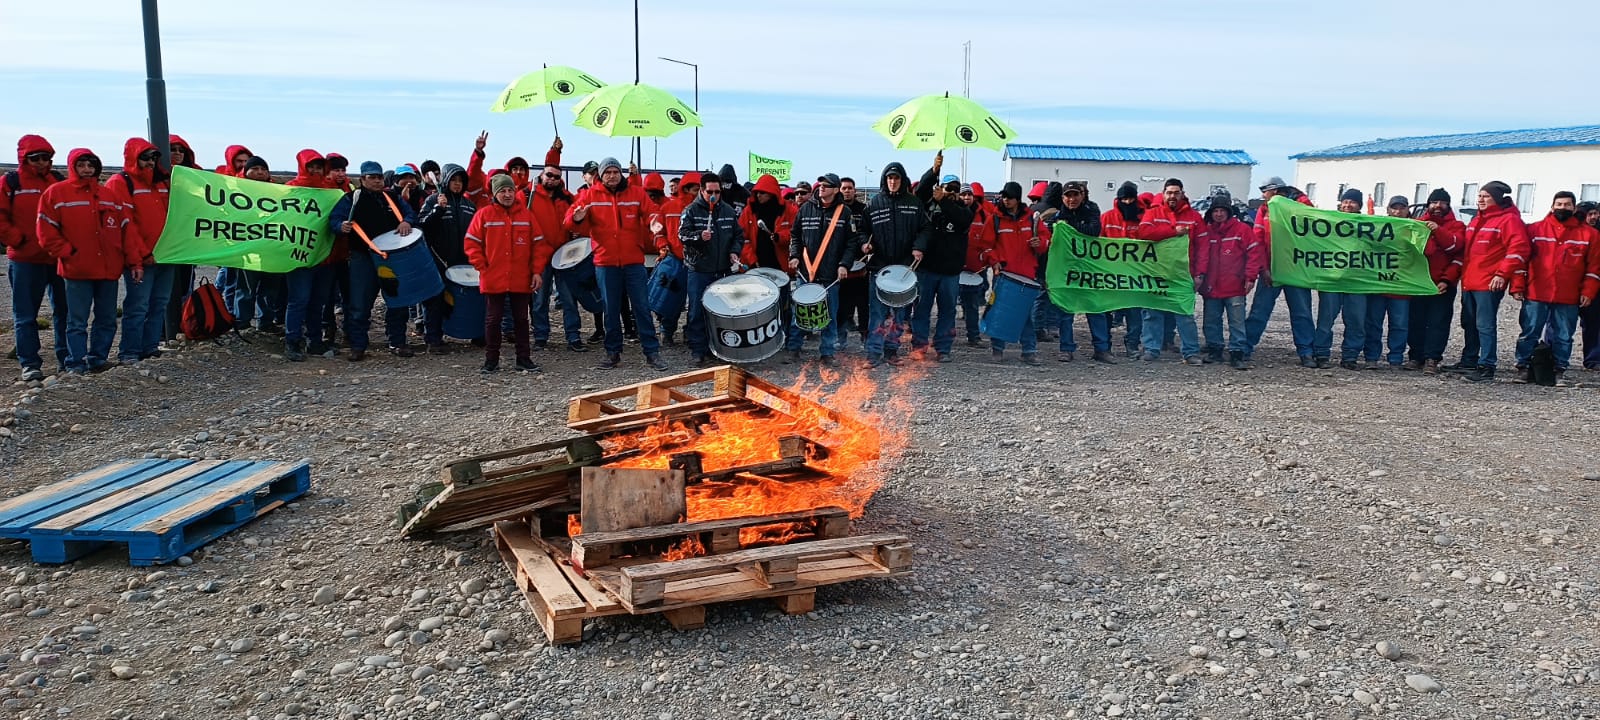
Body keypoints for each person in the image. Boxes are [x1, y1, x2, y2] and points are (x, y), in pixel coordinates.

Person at [37, 148, 141, 374]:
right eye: (81, 165)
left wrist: (135, 262)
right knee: (77, 321)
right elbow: (46, 231)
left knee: (107, 318)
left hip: (108, 270)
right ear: (73, 167)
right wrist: (68, 252)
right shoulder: (56, 193)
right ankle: (75, 362)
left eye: (90, 165)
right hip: (77, 270)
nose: (86, 169)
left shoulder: (109, 196)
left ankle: (97, 359)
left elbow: (126, 231)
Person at [564, 157, 667, 370]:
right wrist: (578, 218)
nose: (612, 176)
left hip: (633, 262)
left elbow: (651, 211)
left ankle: (652, 352)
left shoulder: (636, 193)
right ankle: (613, 352)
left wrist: (655, 222)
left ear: (621, 174)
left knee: (641, 306)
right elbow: (568, 221)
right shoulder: (589, 195)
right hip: (605, 262)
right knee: (610, 309)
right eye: (607, 172)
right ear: (600, 175)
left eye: (615, 172)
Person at [329, 161, 419, 360]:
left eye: (379, 177)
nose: (377, 181)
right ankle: (358, 345)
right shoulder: (351, 198)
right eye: (372, 177)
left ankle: (397, 342)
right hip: (363, 257)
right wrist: (340, 226)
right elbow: (334, 219)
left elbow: (410, 214)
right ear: (362, 179)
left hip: (393, 257)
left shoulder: (392, 197)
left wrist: (407, 221)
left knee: (397, 302)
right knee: (360, 304)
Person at [1511, 190, 1600, 381]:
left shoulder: (1589, 235)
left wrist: (1588, 292)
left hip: (1568, 294)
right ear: (1552, 206)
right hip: (1536, 291)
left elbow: (1594, 268)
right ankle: (1523, 366)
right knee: (1529, 331)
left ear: (1574, 208)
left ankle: (1560, 369)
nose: (1562, 208)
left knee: (1564, 335)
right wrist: (1517, 286)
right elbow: (1521, 260)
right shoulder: (1534, 230)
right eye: (1559, 204)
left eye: (1567, 205)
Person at [2, 135, 69, 380]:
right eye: (36, 158)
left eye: (46, 158)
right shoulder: (11, 182)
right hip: (25, 259)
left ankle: (67, 360)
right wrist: (18, 240)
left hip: (57, 258)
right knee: (25, 315)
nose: (42, 163)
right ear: (24, 158)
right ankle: (30, 364)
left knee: (65, 312)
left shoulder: (56, 181)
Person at [1450, 181, 1530, 382]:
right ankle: (1469, 360)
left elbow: (1519, 249)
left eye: (1486, 196)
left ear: (1496, 198)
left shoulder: (1508, 220)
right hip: (1470, 281)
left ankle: (1487, 365)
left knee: (1485, 324)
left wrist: (1502, 274)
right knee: (1469, 322)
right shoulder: (1478, 220)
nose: (1480, 199)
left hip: (1488, 282)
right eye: (1479, 196)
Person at [464, 173, 543, 373]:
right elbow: (471, 243)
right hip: (493, 277)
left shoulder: (526, 215)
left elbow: (539, 245)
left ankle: (523, 358)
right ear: (495, 193)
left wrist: (536, 271)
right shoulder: (483, 214)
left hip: (520, 276)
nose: (507, 194)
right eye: (503, 191)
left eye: (510, 190)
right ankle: (491, 360)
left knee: (521, 319)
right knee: (493, 319)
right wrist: (482, 266)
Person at [104, 138, 173, 364]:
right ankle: (129, 352)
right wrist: (140, 256)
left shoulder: (161, 183)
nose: (151, 162)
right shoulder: (120, 182)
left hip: (166, 256)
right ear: (133, 157)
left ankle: (149, 347)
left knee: (159, 304)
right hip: (141, 259)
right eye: (145, 157)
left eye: (154, 157)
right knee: (138, 306)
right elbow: (126, 224)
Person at [861, 159, 931, 367]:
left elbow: (926, 229)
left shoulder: (914, 203)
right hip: (879, 267)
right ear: (885, 180)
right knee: (877, 313)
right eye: (889, 178)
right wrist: (865, 244)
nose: (893, 181)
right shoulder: (873, 204)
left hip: (905, 269)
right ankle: (873, 354)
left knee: (900, 314)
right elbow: (863, 230)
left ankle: (892, 351)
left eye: (896, 178)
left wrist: (919, 247)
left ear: (903, 180)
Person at [1244, 176, 1317, 366]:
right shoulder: (1264, 209)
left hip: (1297, 270)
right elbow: (1258, 240)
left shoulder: (1304, 207)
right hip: (1272, 269)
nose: (1262, 195)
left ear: (1275, 191)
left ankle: (1306, 352)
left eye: (1265, 191)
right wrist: (1264, 269)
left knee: (1302, 312)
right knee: (1259, 310)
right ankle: (1244, 348)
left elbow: (1314, 237)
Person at [677, 172, 746, 366]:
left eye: (718, 191)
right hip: (699, 268)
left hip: (722, 269)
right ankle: (698, 349)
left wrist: (734, 252)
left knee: (720, 310)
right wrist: (699, 236)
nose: (714, 195)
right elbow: (682, 235)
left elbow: (738, 236)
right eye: (710, 192)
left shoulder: (728, 211)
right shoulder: (690, 211)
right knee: (697, 310)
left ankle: (717, 347)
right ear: (702, 190)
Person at [786, 173, 855, 364]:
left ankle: (827, 352)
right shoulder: (806, 208)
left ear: (835, 189)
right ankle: (794, 348)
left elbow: (851, 243)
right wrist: (793, 255)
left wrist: (844, 265)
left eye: (827, 185)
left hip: (831, 273)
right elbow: (795, 236)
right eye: (821, 184)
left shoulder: (845, 213)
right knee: (800, 313)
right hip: (805, 272)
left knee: (830, 315)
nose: (821, 187)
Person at [1192, 191, 1263, 369]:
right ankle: (1215, 350)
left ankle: (1237, 353)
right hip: (1211, 287)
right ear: (1211, 213)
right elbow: (1198, 255)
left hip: (1235, 286)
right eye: (1215, 210)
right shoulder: (1206, 232)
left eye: (1222, 210)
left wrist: (1250, 277)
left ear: (1229, 212)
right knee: (1211, 320)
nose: (1219, 214)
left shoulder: (1242, 230)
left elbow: (1254, 254)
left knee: (1237, 322)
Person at [412, 163, 478, 355]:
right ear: (446, 181)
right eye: (454, 180)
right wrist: (438, 210)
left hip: (463, 260)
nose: (457, 184)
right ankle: (433, 338)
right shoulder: (434, 200)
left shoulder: (469, 205)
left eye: (461, 181)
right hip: (438, 259)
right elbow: (421, 226)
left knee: (467, 298)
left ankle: (474, 332)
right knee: (435, 300)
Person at [1135, 179, 1203, 364]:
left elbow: (1202, 247)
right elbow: (1144, 234)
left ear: (1182, 193)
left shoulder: (1194, 217)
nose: (1172, 196)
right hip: (1155, 273)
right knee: (1151, 313)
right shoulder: (1152, 213)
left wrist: (1199, 274)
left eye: (1176, 192)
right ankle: (1151, 349)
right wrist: (1173, 231)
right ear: (1164, 193)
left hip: (1182, 275)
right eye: (1169, 192)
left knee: (1185, 315)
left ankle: (1190, 352)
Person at [910, 174, 972, 363]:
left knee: (947, 311)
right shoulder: (928, 205)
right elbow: (920, 190)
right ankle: (919, 346)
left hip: (950, 272)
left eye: (955, 189)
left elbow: (961, 220)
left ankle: (943, 348)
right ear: (940, 188)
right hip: (926, 269)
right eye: (948, 188)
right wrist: (934, 170)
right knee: (921, 310)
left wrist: (944, 200)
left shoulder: (964, 210)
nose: (952, 192)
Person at [1405, 189, 1466, 374]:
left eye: (1442, 202)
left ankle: (1432, 358)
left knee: (1438, 322)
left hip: (1442, 284)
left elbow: (1456, 250)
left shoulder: (1457, 226)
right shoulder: (1416, 224)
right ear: (1428, 204)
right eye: (1434, 202)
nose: (1438, 206)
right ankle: (1416, 356)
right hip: (1419, 283)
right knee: (1416, 321)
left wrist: (1448, 280)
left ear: (1448, 205)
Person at [1311, 188, 1370, 369]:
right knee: (1325, 320)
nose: (1347, 205)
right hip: (1332, 280)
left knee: (1356, 321)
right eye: (1345, 201)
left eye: (1352, 202)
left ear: (1359, 205)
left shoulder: (1369, 225)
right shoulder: (1329, 222)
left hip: (1357, 282)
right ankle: (1321, 354)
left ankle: (1350, 357)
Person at [1049, 180, 1108, 362]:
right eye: (1068, 195)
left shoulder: (1091, 210)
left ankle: (1102, 349)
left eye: (1075, 195)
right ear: (1062, 197)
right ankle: (1066, 349)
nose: (1072, 199)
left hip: (1089, 269)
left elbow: (1093, 231)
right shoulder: (1056, 215)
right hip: (1068, 270)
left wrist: (1068, 226)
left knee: (1095, 309)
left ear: (1082, 196)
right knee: (1066, 312)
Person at [740, 174, 799, 355]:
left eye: (763, 193)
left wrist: (780, 238)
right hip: (758, 267)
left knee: (784, 305)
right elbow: (742, 238)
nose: (758, 196)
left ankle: (785, 338)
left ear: (772, 194)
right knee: (759, 306)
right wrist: (750, 260)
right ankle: (762, 341)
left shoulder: (790, 210)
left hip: (781, 267)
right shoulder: (749, 211)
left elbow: (796, 234)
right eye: (757, 193)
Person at [987, 181, 1045, 365]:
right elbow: (987, 246)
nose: (1006, 200)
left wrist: (1040, 243)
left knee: (1025, 314)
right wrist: (994, 262)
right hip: (1004, 274)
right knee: (999, 312)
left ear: (1018, 198)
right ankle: (998, 349)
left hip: (1027, 274)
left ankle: (1029, 350)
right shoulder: (995, 219)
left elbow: (1045, 239)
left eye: (1009, 197)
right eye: (1004, 197)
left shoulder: (1032, 219)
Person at [1363, 196, 1414, 369]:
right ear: (1388, 209)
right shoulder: (1378, 227)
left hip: (1401, 287)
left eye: (1401, 208)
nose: (1397, 211)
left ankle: (1396, 359)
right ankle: (1371, 357)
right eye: (1394, 208)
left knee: (1399, 325)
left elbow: (1426, 251)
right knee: (1374, 323)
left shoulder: (1414, 229)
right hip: (1378, 286)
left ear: (1408, 210)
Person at [652, 173, 699, 344]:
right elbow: (658, 231)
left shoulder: (704, 209)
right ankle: (667, 330)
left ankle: (690, 332)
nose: (698, 192)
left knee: (695, 301)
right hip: (676, 260)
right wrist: (663, 246)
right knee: (671, 298)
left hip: (698, 264)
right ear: (686, 189)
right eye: (696, 189)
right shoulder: (668, 208)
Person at [1100, 181, 1146, 356]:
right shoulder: (1106, 217)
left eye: (1130, 198)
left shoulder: (1143, 218)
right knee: (1105, 311)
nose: (1127, 202)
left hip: (1134, 275)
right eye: (1123, 198)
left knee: (1134, 313)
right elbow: (1097, 242)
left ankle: (1132, 344)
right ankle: (1105, 345)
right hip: (1110, 274)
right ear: (1118, 198)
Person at [960, 184, 997, 348]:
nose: (966, 198)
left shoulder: (984, 216)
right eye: (963, 195)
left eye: (969, 194)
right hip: (953, 268)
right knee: (946, 307)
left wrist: (987, 260)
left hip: (975, 269)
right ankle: (945, 337)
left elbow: (989, 241)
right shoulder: (952, 213)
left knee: (972, 305)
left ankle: (973, 336)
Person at [835, 178, 869, 348]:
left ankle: (865, 336)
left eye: (850, 188)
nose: (847, 191)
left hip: (862, 263)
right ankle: (841, 338)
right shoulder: (836, 210)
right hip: (841, 264)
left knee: (863, 304)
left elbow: (868, 231)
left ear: (855, 190)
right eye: (844, 188)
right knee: (841, 305)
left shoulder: (864, 209)